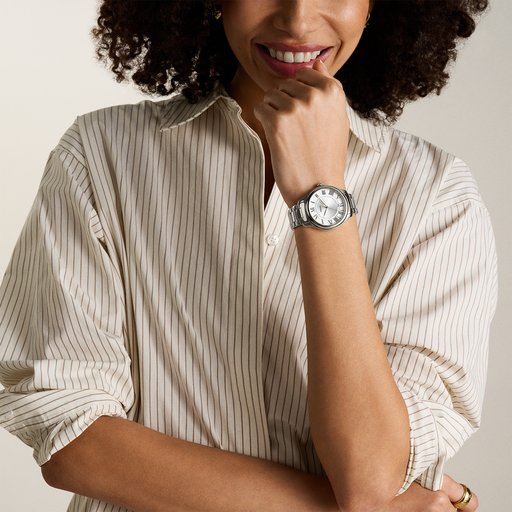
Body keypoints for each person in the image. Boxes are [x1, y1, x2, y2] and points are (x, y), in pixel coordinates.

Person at [0, 0, 497, 510]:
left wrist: (319, 192)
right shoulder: (99, 156)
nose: (297, 20)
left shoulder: (437, 197)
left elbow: (370, 475)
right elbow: (74, 442)